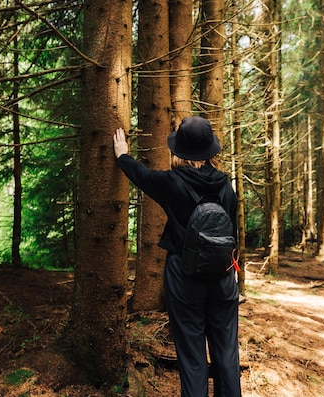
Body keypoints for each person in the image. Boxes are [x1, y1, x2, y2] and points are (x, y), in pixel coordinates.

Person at [113, 116, 241, 397]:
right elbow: (233, 235)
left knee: (192, 357)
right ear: (209, 151)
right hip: (223, 280)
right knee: (227, 356)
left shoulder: (172, 183)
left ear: (179, 150)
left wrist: (123, 156)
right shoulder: (225, 186)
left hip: (184, 278)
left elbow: (143, 177)